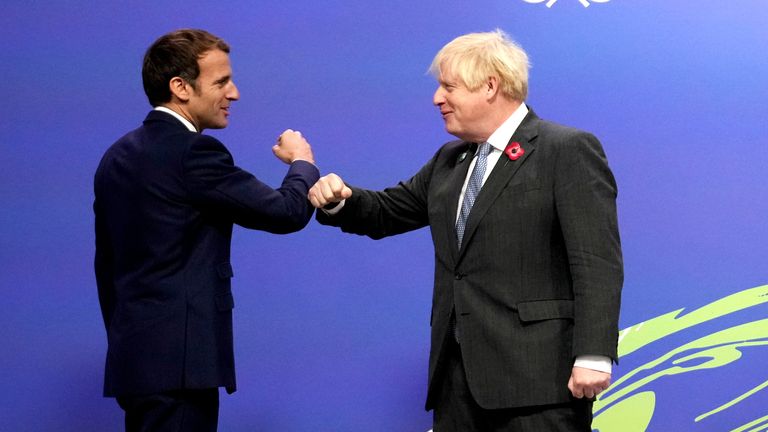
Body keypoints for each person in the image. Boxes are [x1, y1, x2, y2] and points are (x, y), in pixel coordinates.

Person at [308, 30, 623, 431]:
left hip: (538, 383)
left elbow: (596, 261)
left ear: (490, 86)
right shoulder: (450, 159)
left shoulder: (565, 149)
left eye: (448, 86)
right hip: (456, 385)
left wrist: (594, 354)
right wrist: (339, 198)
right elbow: (388, 211)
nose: (437, 99)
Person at [94, 29, 319, 431]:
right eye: (221, 82)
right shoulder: (194, 152)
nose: (233, 94)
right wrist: (302, 163)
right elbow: (286, 212)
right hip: (181, 369)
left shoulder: (116, 156)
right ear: (180, 87)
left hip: (136, 364)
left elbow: (107, 269)